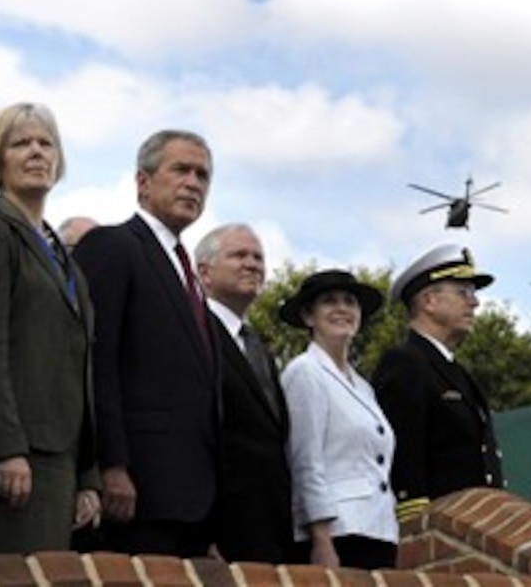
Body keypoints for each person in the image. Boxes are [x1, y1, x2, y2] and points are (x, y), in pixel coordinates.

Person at [0, 103, 101, 556]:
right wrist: (5, 448)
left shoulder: (67, 260)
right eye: (21, 143)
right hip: (11, 459)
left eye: (45, 143)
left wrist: (88, 474)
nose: (36, 152)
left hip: (59, 462)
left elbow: (81, 367)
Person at [73, 129, 219, 557]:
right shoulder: (113, 246)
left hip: (195, 501)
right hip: (138, 489)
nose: (193, 183)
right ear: (143, 181)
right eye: (181, 170)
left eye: (203, 175)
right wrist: (111, 464)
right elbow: (95, 360)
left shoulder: (188, 272)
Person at [373, 244, 506, 524]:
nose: (474, 303)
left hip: (475, 524)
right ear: (429, 302)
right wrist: (415, 514)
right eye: (463, 293)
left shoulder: (456, 372)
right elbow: (404, 456)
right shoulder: (405, 363)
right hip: (439, 533)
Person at [278, 269, 398, 570]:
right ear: (309, 316)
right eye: (330, 301)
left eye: (350, 302)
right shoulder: (305, 372)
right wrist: (321, 540)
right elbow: (305, 461)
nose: (342, 309)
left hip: (377, 530)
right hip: (337, 534)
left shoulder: (364, 386)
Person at [195, 223, 292, 563]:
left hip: (270, 530)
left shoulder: (260, 349)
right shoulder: (194, 334)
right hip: (220, 531)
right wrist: (202, 530)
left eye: (258, 257)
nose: (252, 264)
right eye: (238, 255)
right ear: (204, 274)